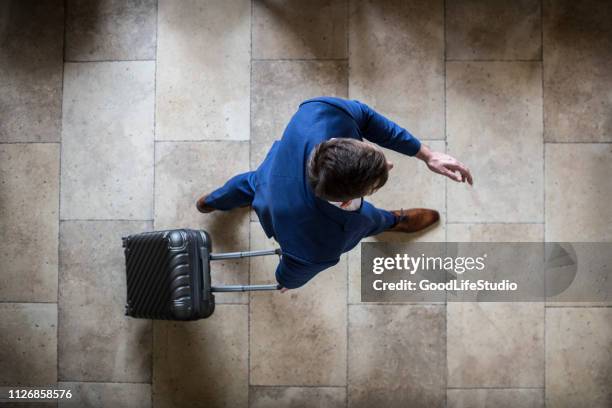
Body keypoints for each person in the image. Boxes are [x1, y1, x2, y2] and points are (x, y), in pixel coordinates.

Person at [196, 97, 472, 292]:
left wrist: (427, 155)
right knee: (371, 219)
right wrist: (286, 282)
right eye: (379, 178)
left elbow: (365, 117)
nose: (390, 163)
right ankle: (392, 221)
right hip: (285, 211)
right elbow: (294, 269)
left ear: (334, 143)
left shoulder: (319, 112)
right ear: (347, 202)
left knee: (248, 183)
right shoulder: (321, 241)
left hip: (269, 176)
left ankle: (211, 201)